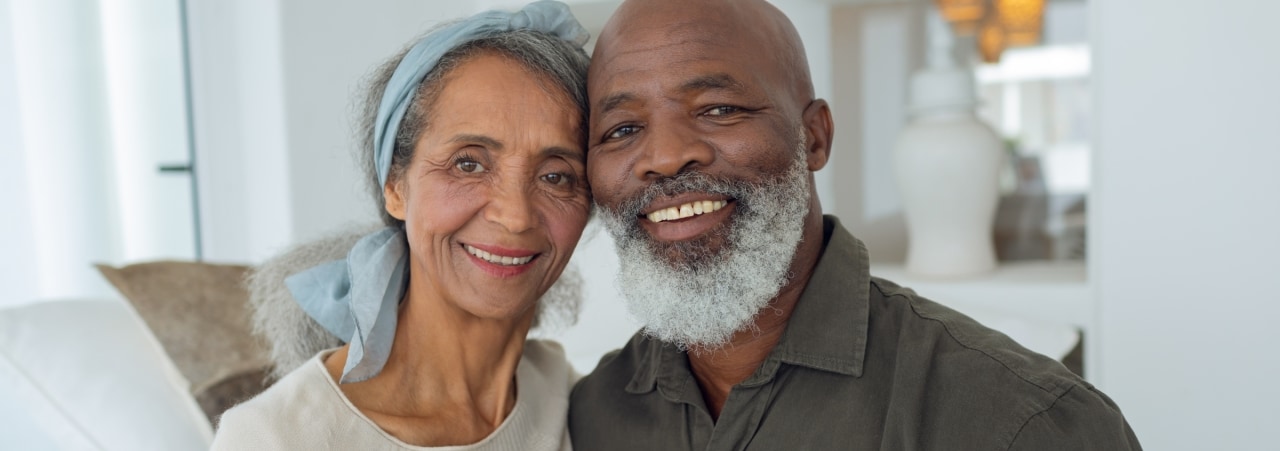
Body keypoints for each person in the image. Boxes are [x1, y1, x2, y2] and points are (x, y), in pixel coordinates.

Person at [568, 0, 1142, 450]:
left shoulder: (1019, 424)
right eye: (621, 130)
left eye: (719, 109)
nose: (665, 157)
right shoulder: (592, 414)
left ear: (813, 136)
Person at [212, 2, 591, 449]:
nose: (515, 216)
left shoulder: (571, 400)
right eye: (468, 164)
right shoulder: (278, 436)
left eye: (556, 176)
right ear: (395, 185)